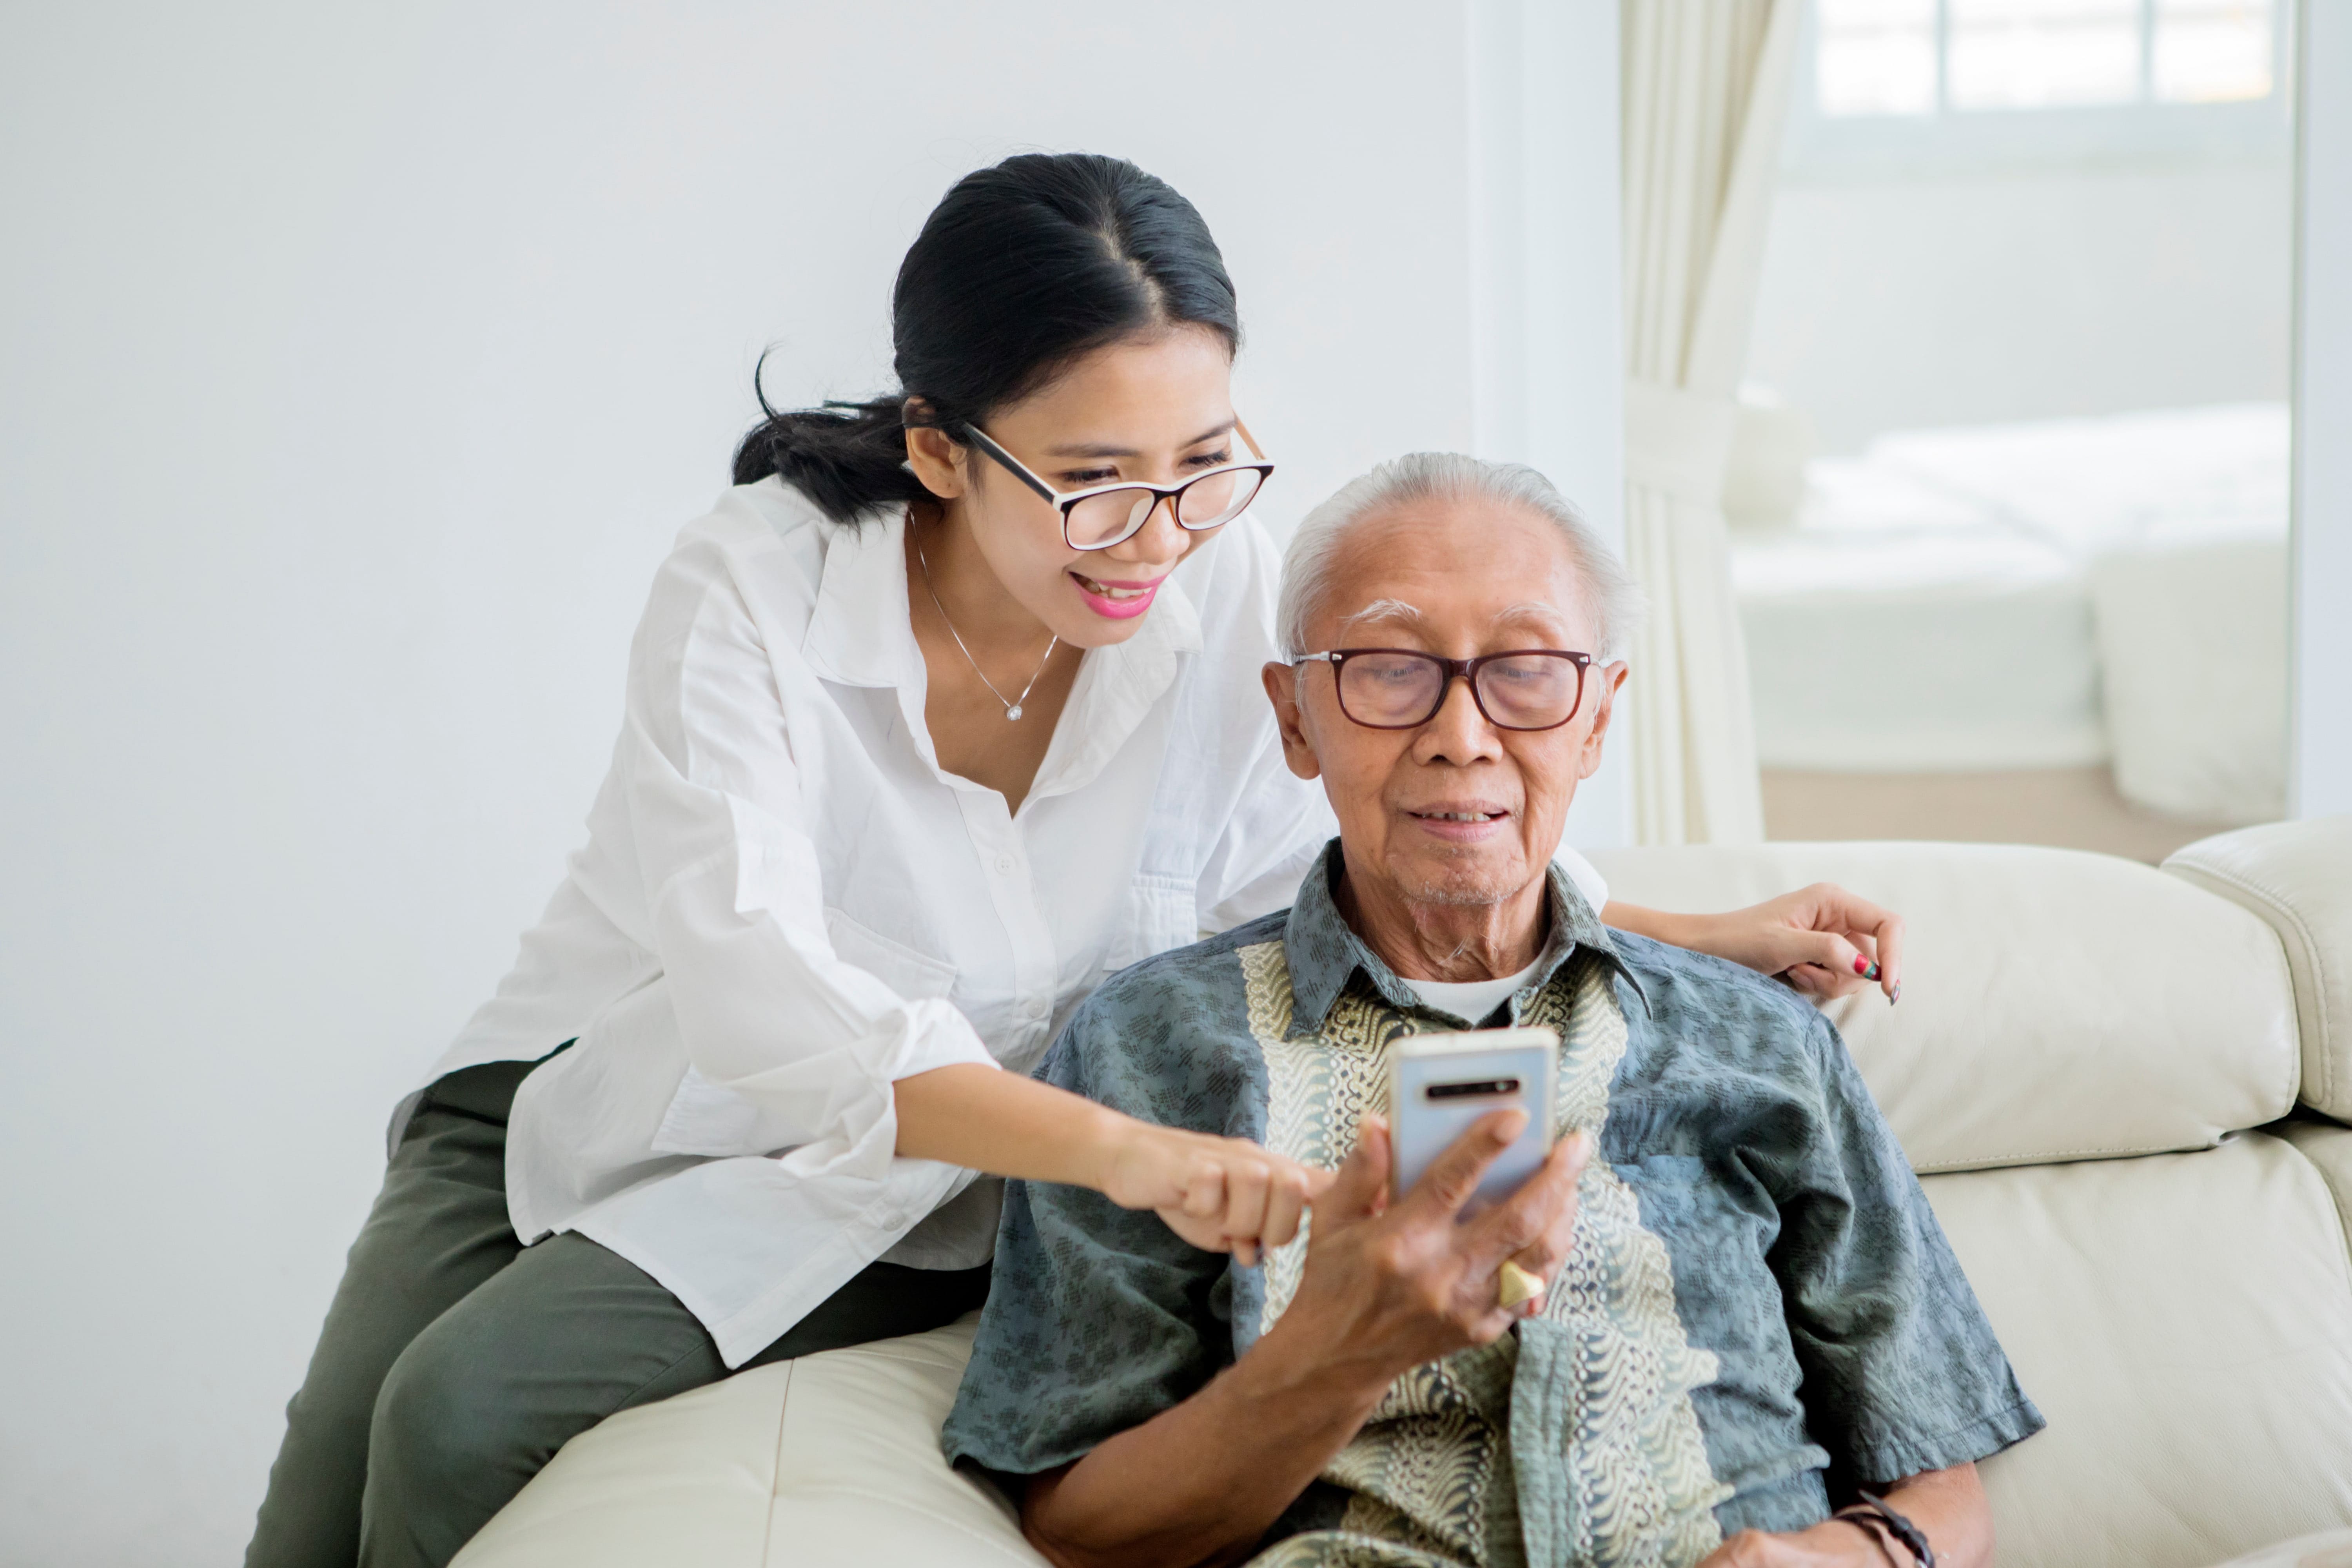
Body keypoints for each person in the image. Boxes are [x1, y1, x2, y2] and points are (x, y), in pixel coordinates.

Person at [246, 155, 1909, 1568]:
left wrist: (1689, 930)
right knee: (338, 1466)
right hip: (627, 1077)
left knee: (457, 1411)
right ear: (941, 445)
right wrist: (1129, 1155)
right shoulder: (749, 591)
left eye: (1201, 464)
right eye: (1096, 482)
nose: (1162, 536)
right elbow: (768, 1006)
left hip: (938, 1165)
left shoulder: (1213, 572)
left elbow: (1330, 842)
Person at [943, 453, 2042, 1568]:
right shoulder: (1147, 1050)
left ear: (1599, 717)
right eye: (1386, 668)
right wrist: (1330, 1353)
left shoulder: (1760, 1040)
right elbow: (1080, 1527)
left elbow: (1939, 1472)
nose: (1462, 735)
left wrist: (1842, 1563)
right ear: (1295, 719)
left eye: (1525, 671)